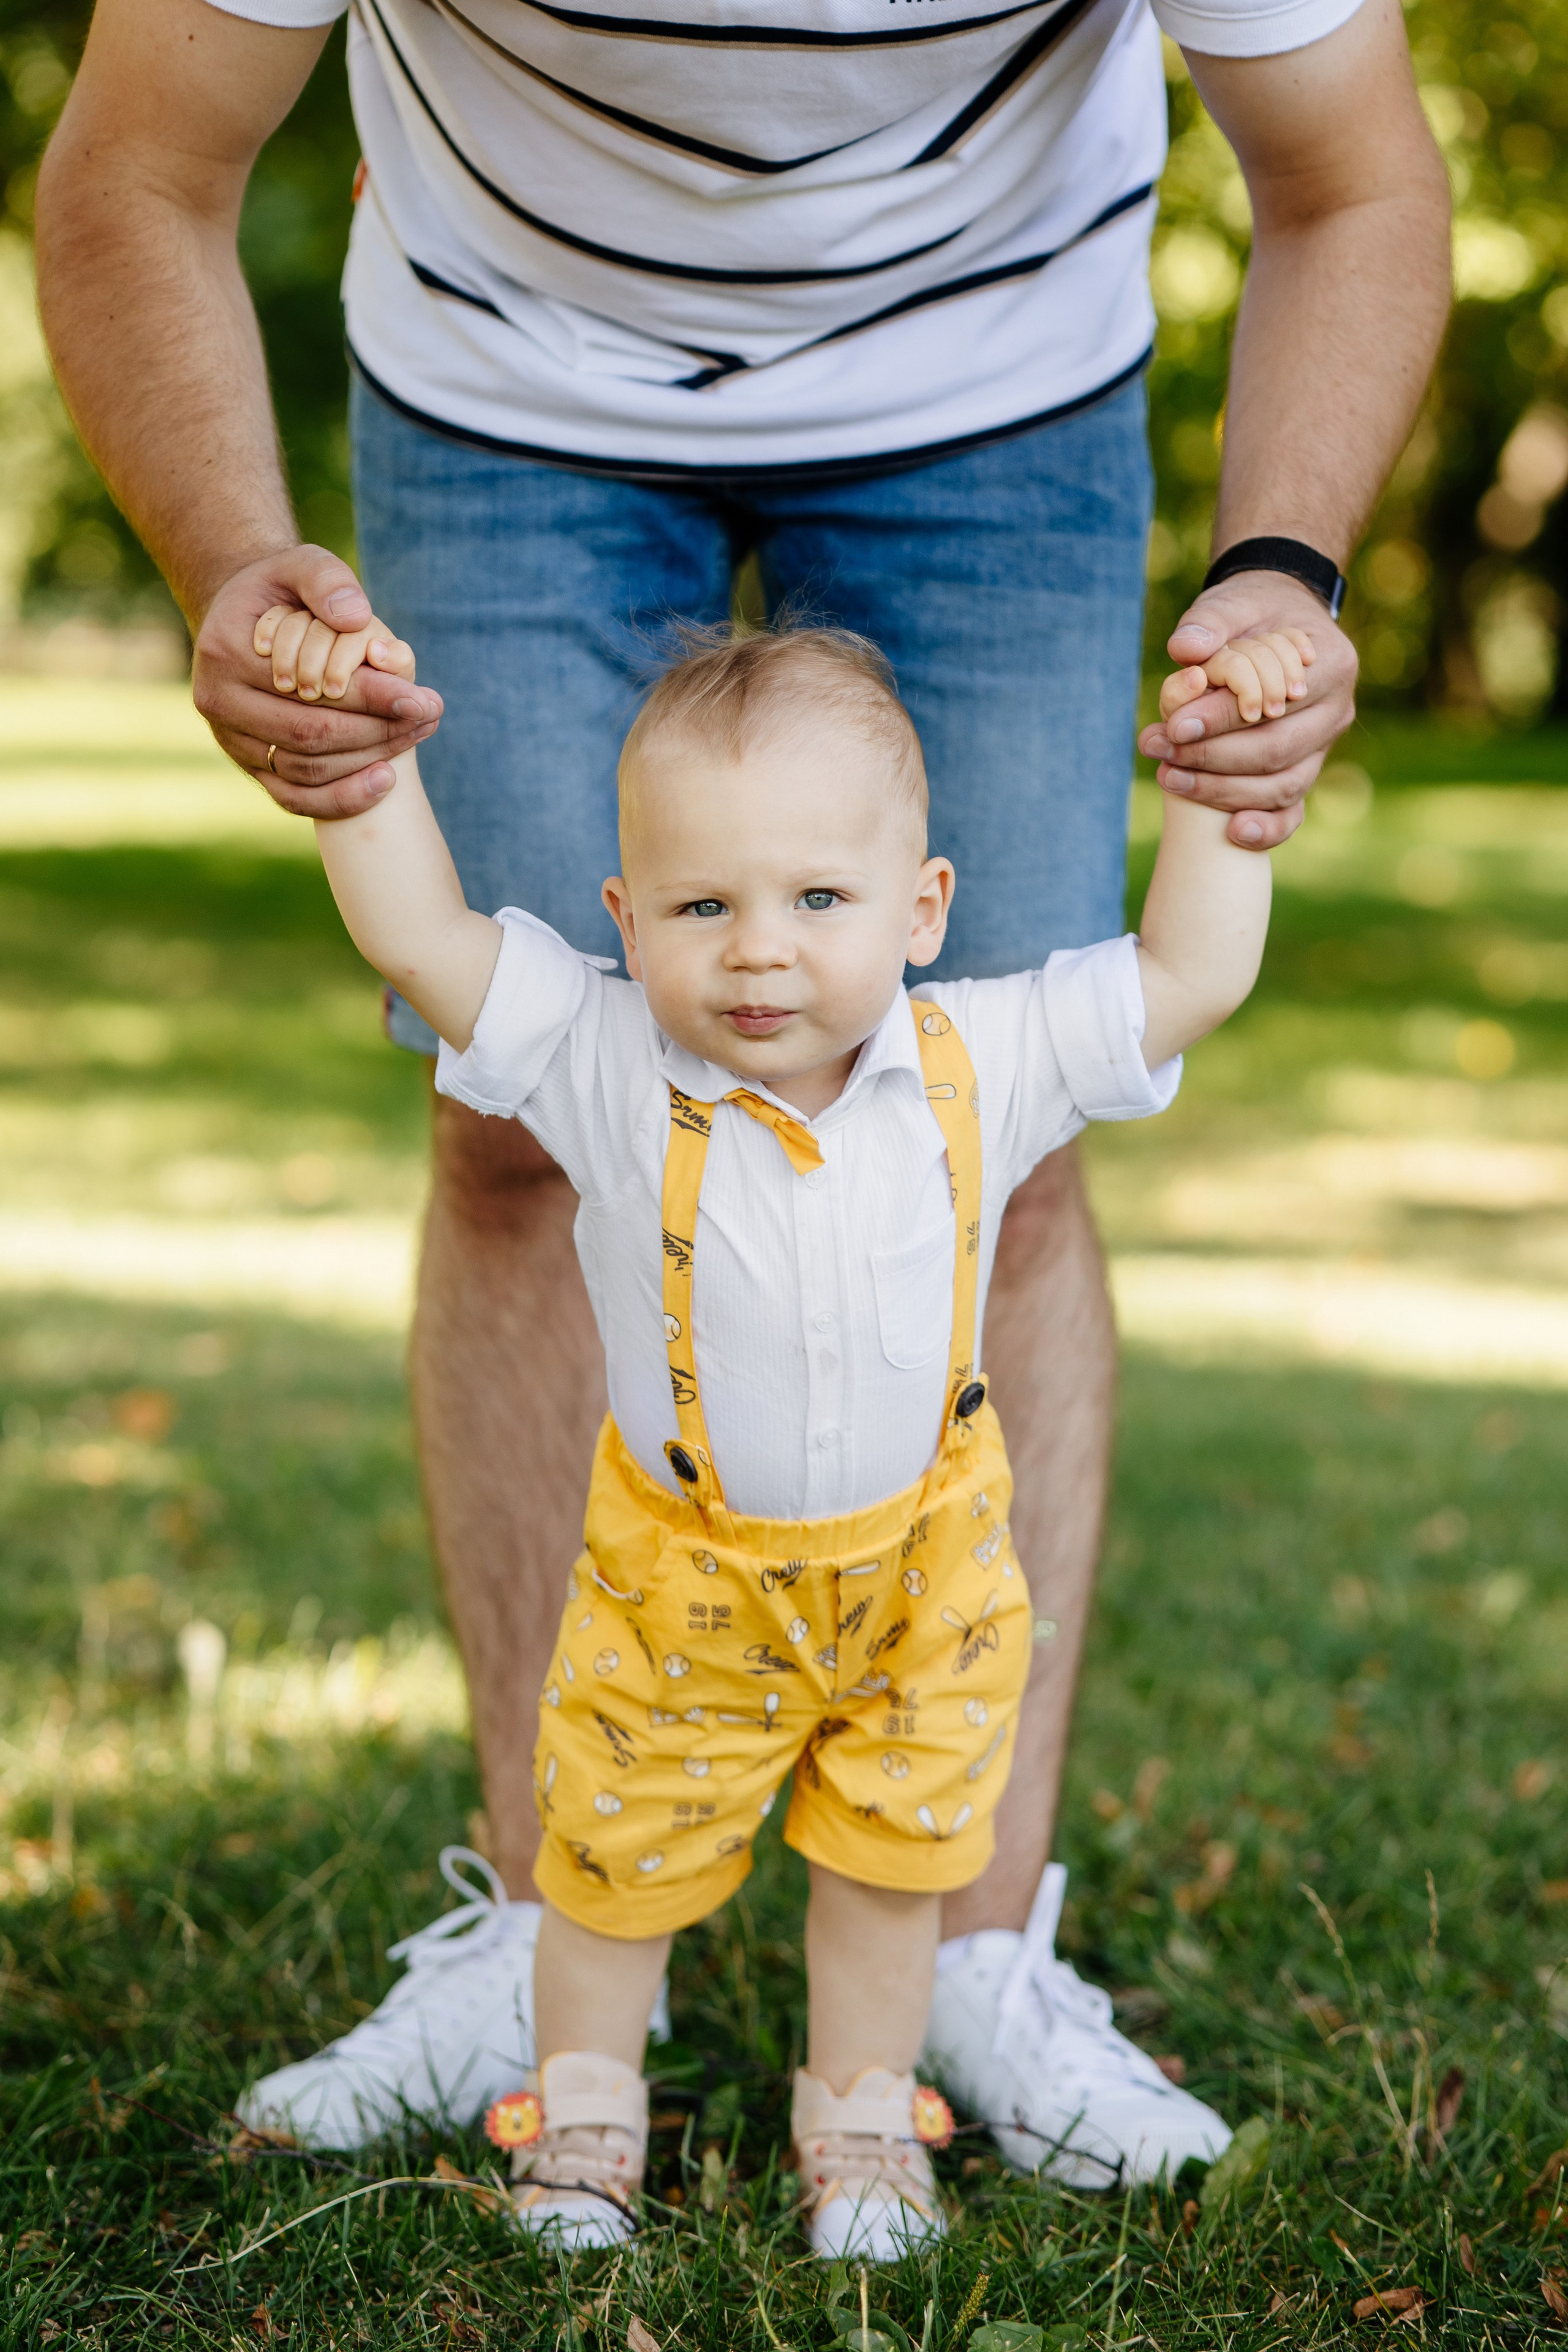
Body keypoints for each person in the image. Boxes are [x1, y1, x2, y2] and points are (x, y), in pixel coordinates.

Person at [34, 0, 1449, 2174]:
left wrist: (1276, 584)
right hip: (509, 383)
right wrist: (243, 572)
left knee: (1019, 1162)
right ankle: (550, 1930)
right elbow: (135, 168)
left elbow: (1352, 177)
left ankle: (963, 1949)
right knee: (514, 1138)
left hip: (1004, 386)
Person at [295, 617, 1287, 2243]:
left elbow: (1192, 974)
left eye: (819, 900)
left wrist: (1217, 798)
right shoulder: (604, 1056)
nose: (759, 951)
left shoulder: (988, 1057)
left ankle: (863, 2127)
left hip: (922, 1569)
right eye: (704, 905)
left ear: (923, 909)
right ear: (627, 918)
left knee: (897, 1860)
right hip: (685, 1577)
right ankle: (586, 2119)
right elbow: (420, 938)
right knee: (612, 1858)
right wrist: (360, 777)